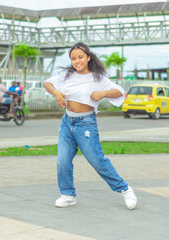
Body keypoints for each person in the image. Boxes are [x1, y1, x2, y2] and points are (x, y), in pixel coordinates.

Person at [44, 42, 137, 210]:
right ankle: (68, 194)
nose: (77, 61)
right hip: (67, 122)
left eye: (80, 57)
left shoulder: (98, 78)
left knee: (97, 160)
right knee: (62, 161)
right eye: (73, 58)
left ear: (88, 57)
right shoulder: (66, 75)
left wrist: (103, 93)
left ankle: (125, 189)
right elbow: (47, 83)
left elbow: (119, 92)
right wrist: (56, 93)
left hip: (85, 124)